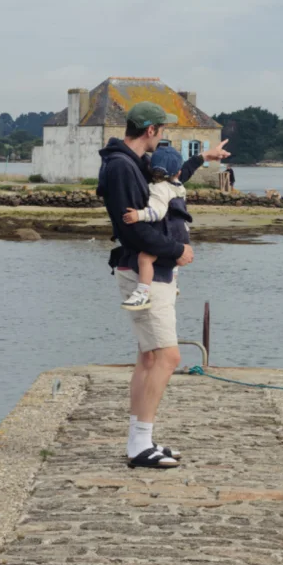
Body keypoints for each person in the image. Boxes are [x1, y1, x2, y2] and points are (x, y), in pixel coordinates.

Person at [97, 101, 229, 470]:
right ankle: (140, 445)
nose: (162, 138)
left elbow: (170, 183)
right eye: (161, 131)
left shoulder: (131, 162)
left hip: (151, 272)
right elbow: (131, 228)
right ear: (151, 130)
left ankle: (141, 438)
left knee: (149, 357)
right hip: (145, 274)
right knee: (168, 358)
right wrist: (177, 250)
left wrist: (203, 157)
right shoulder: (122, 166)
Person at [120, 146, 190, 311]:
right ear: (178, 173)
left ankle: (142, 293)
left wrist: (139, 215)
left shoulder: (159, 188)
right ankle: (174, 284)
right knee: (174, 260)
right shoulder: (179, 186)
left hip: (169, 233)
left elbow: (157, 212)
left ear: (151, 168)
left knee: (145, 258)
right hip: (182, 232)